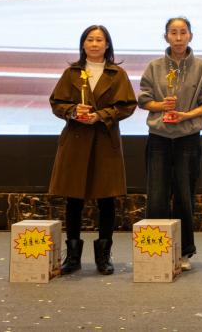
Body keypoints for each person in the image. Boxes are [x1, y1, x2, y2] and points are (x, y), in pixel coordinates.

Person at [48, 24, 137, 276]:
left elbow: (128, 106)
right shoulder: (72, 73)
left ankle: (104, 257)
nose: (95, 44)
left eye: (99, 40)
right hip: (76, 140)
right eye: (90, 39)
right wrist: (73, 111)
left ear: (107, 45)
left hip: (104, 140)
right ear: (83, 44)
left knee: (106, 199)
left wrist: (101, 115)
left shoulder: (117, 73)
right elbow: (56, 103)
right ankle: (73, 256)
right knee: (73, 199)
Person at [137, 17, 202, 271]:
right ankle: (156, 250)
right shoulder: (154, 67)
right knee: (157, 196)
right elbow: (143, 100)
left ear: (190, 36)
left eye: (182, 32)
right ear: (166, 37)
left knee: (185, 195)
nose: (178, 37)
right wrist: (160, 106)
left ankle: (184, 251)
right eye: (173, 33)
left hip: (188, 138)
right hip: (159, 138)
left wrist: (186, 115)